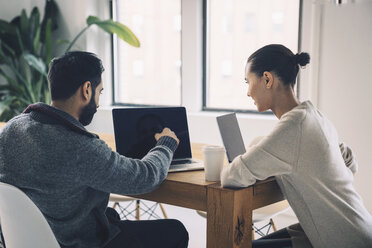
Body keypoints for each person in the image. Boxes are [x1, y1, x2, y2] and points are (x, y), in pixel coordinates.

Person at [0, 51, 189, 248]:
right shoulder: (80, 147)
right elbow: (146, 177)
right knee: (175, 230)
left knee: (111, 216)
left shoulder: (10, 130)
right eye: (100, 92)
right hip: (79, 243)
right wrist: (166, 144)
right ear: (87, 90)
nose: (98, 102)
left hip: (28, 241)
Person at [220, 44, 372, 248]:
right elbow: (351, 161)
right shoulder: (314, 116)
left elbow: (230, 176)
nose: (248, 92)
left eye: (248, 82)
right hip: (358, 228)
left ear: (267, 79)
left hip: (344, 241)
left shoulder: (292, 127)